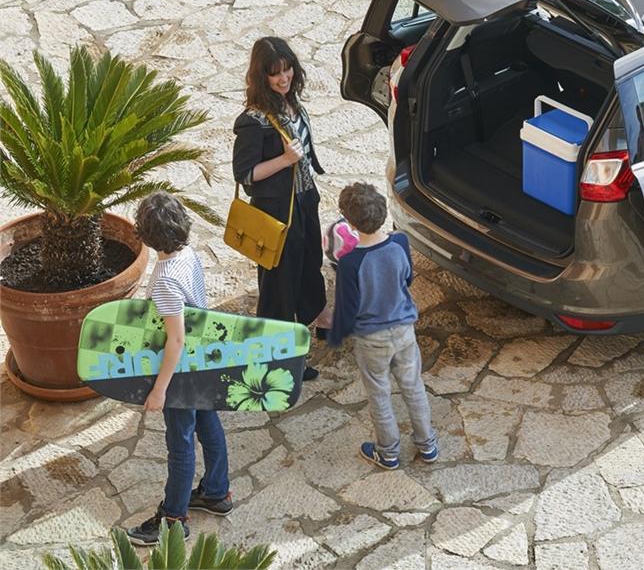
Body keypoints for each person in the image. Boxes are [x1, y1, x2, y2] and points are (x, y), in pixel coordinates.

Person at [126, 193, 233, 546]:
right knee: (208, 423)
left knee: (180, 443)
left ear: (146, 234)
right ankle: (217, 493)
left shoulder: (166, 282)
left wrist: (159, 390)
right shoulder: (187, 254)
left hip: (180, 372)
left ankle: (173, 519)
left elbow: (175, 340)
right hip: (200, 361)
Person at [232, 37, 326, 381]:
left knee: (306, 269)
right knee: (279, 286)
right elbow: (245, 175)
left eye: (287, 69)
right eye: (275, 74)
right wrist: (285, 160)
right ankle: (278, 359)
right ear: (262, 77)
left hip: (303, 201)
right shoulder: (253, 121)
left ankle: (309, 330)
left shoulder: (290, 101)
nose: (284, 78)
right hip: (276, 213)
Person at [329, 182, 439, 469]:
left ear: (350, 222)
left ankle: (388, 453)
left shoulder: (350, 263)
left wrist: (336, 334)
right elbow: (407, 280)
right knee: (413, 386)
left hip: (371, 339)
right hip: (404, 331)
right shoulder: (400, 242)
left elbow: (347, 307)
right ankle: (428, 446)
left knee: (379, 394)